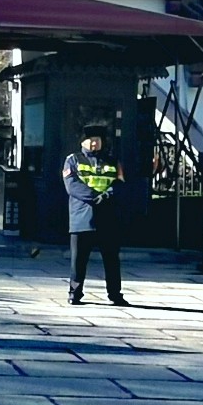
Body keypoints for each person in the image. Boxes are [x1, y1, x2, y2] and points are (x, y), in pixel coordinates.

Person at [63, 128, 127, 306]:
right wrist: (94, 196)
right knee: (79, 259)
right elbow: (72, 185)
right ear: (82, 142)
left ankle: (115, 294)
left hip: (108, 217)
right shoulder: (73, 160)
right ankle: (75, 293)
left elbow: (120, 183)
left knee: (111, 259)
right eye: (90, 140)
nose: (94, 143)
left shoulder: (112, 161)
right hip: (82, 216)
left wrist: (107, 194)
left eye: (97, 140)